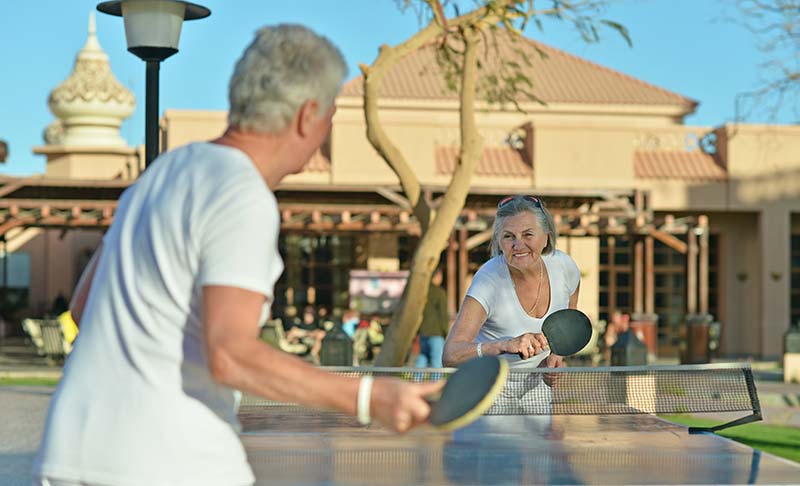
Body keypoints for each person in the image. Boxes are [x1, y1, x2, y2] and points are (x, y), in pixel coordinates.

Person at [33, 24, 442, 486]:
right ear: (308, 116)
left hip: (70, 455)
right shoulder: (242, 193)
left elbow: (85, 309)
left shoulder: (160, 174)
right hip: (163, 464)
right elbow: (231, 354)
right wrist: (369, 397)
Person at [443, 195, 581, 374]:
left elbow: (569, 318)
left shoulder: (565, 267)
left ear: (546, 237)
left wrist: (555, 357)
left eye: (528, 234)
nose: (518, 244)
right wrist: (503, 345)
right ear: (499, 242)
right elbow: (450, 355)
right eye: (509, 236)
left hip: (538, 389)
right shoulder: (488, 281)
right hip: (490, 387)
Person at [415, 267, 449, 368]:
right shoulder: (439, 292)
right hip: (436, 333)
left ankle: (416, 381)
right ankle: (436, 383)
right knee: (437, 361)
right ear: (438, 276)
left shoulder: (422, 292)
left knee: (422, 357)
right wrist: (446, 331)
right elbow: (443, 314)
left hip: (423, 332)